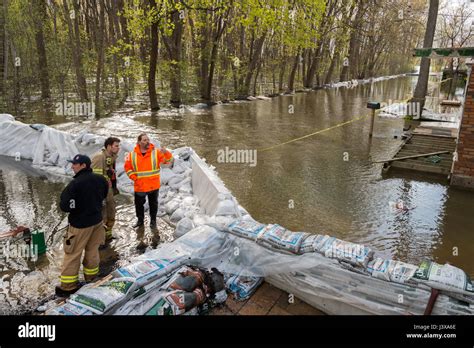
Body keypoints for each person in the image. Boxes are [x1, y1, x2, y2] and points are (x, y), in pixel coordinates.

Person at [56, 154, 108, 296]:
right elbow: (104, 196)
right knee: (92, 251)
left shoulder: (75, 184)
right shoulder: (101, 179)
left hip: (79, 225)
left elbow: (65, 206)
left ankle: (68, 286)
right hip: (97, 223)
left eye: (75, 164)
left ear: (84, 165)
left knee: (72, 253)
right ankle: (91, 278)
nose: (72, 166)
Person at [124, 133, 173, 228]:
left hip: (153, 185)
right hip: (140, 185)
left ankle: (153, 221)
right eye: (144, 140)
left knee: (153, 205)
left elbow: (168, 161)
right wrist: (134, 177)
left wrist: (166, 152)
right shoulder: (131, 155)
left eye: (148, 140)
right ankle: (140, 221)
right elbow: (127, 168)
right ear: (139, 142)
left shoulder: (156, 152)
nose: (147, 142)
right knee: (139, 205)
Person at [91, 137, 120, 243]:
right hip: (101, 192)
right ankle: (100, 241)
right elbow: (95, 179)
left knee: (111, 213)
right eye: (116, 146)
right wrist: (99, 197)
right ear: (108, 146)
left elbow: (109, 175)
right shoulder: (99, 157)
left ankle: (108, 235)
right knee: (102, 216)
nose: (118, 148)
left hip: (109, 190)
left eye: (118, 146)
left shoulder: (111, 158)